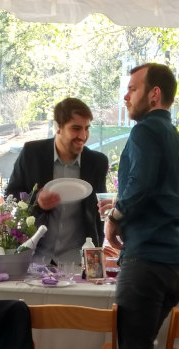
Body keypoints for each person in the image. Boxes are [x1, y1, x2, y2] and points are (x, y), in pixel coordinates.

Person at [103, 63, 179, 349]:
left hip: (147, 259)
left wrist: (114, 216)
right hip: (177, 265)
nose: (126, 96)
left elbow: (138, 183)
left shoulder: (144, 133)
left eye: (132, 88)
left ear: (154, 94)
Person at [6, 97, 108, 267]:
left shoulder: (97, 162)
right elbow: (11, 195)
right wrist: (36, 200)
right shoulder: (32, 154)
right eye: (76, 128)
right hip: (34, 258)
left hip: (77, 261)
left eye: (87, 128)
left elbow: (98, 214)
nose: (83, 136)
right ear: (58, 127)